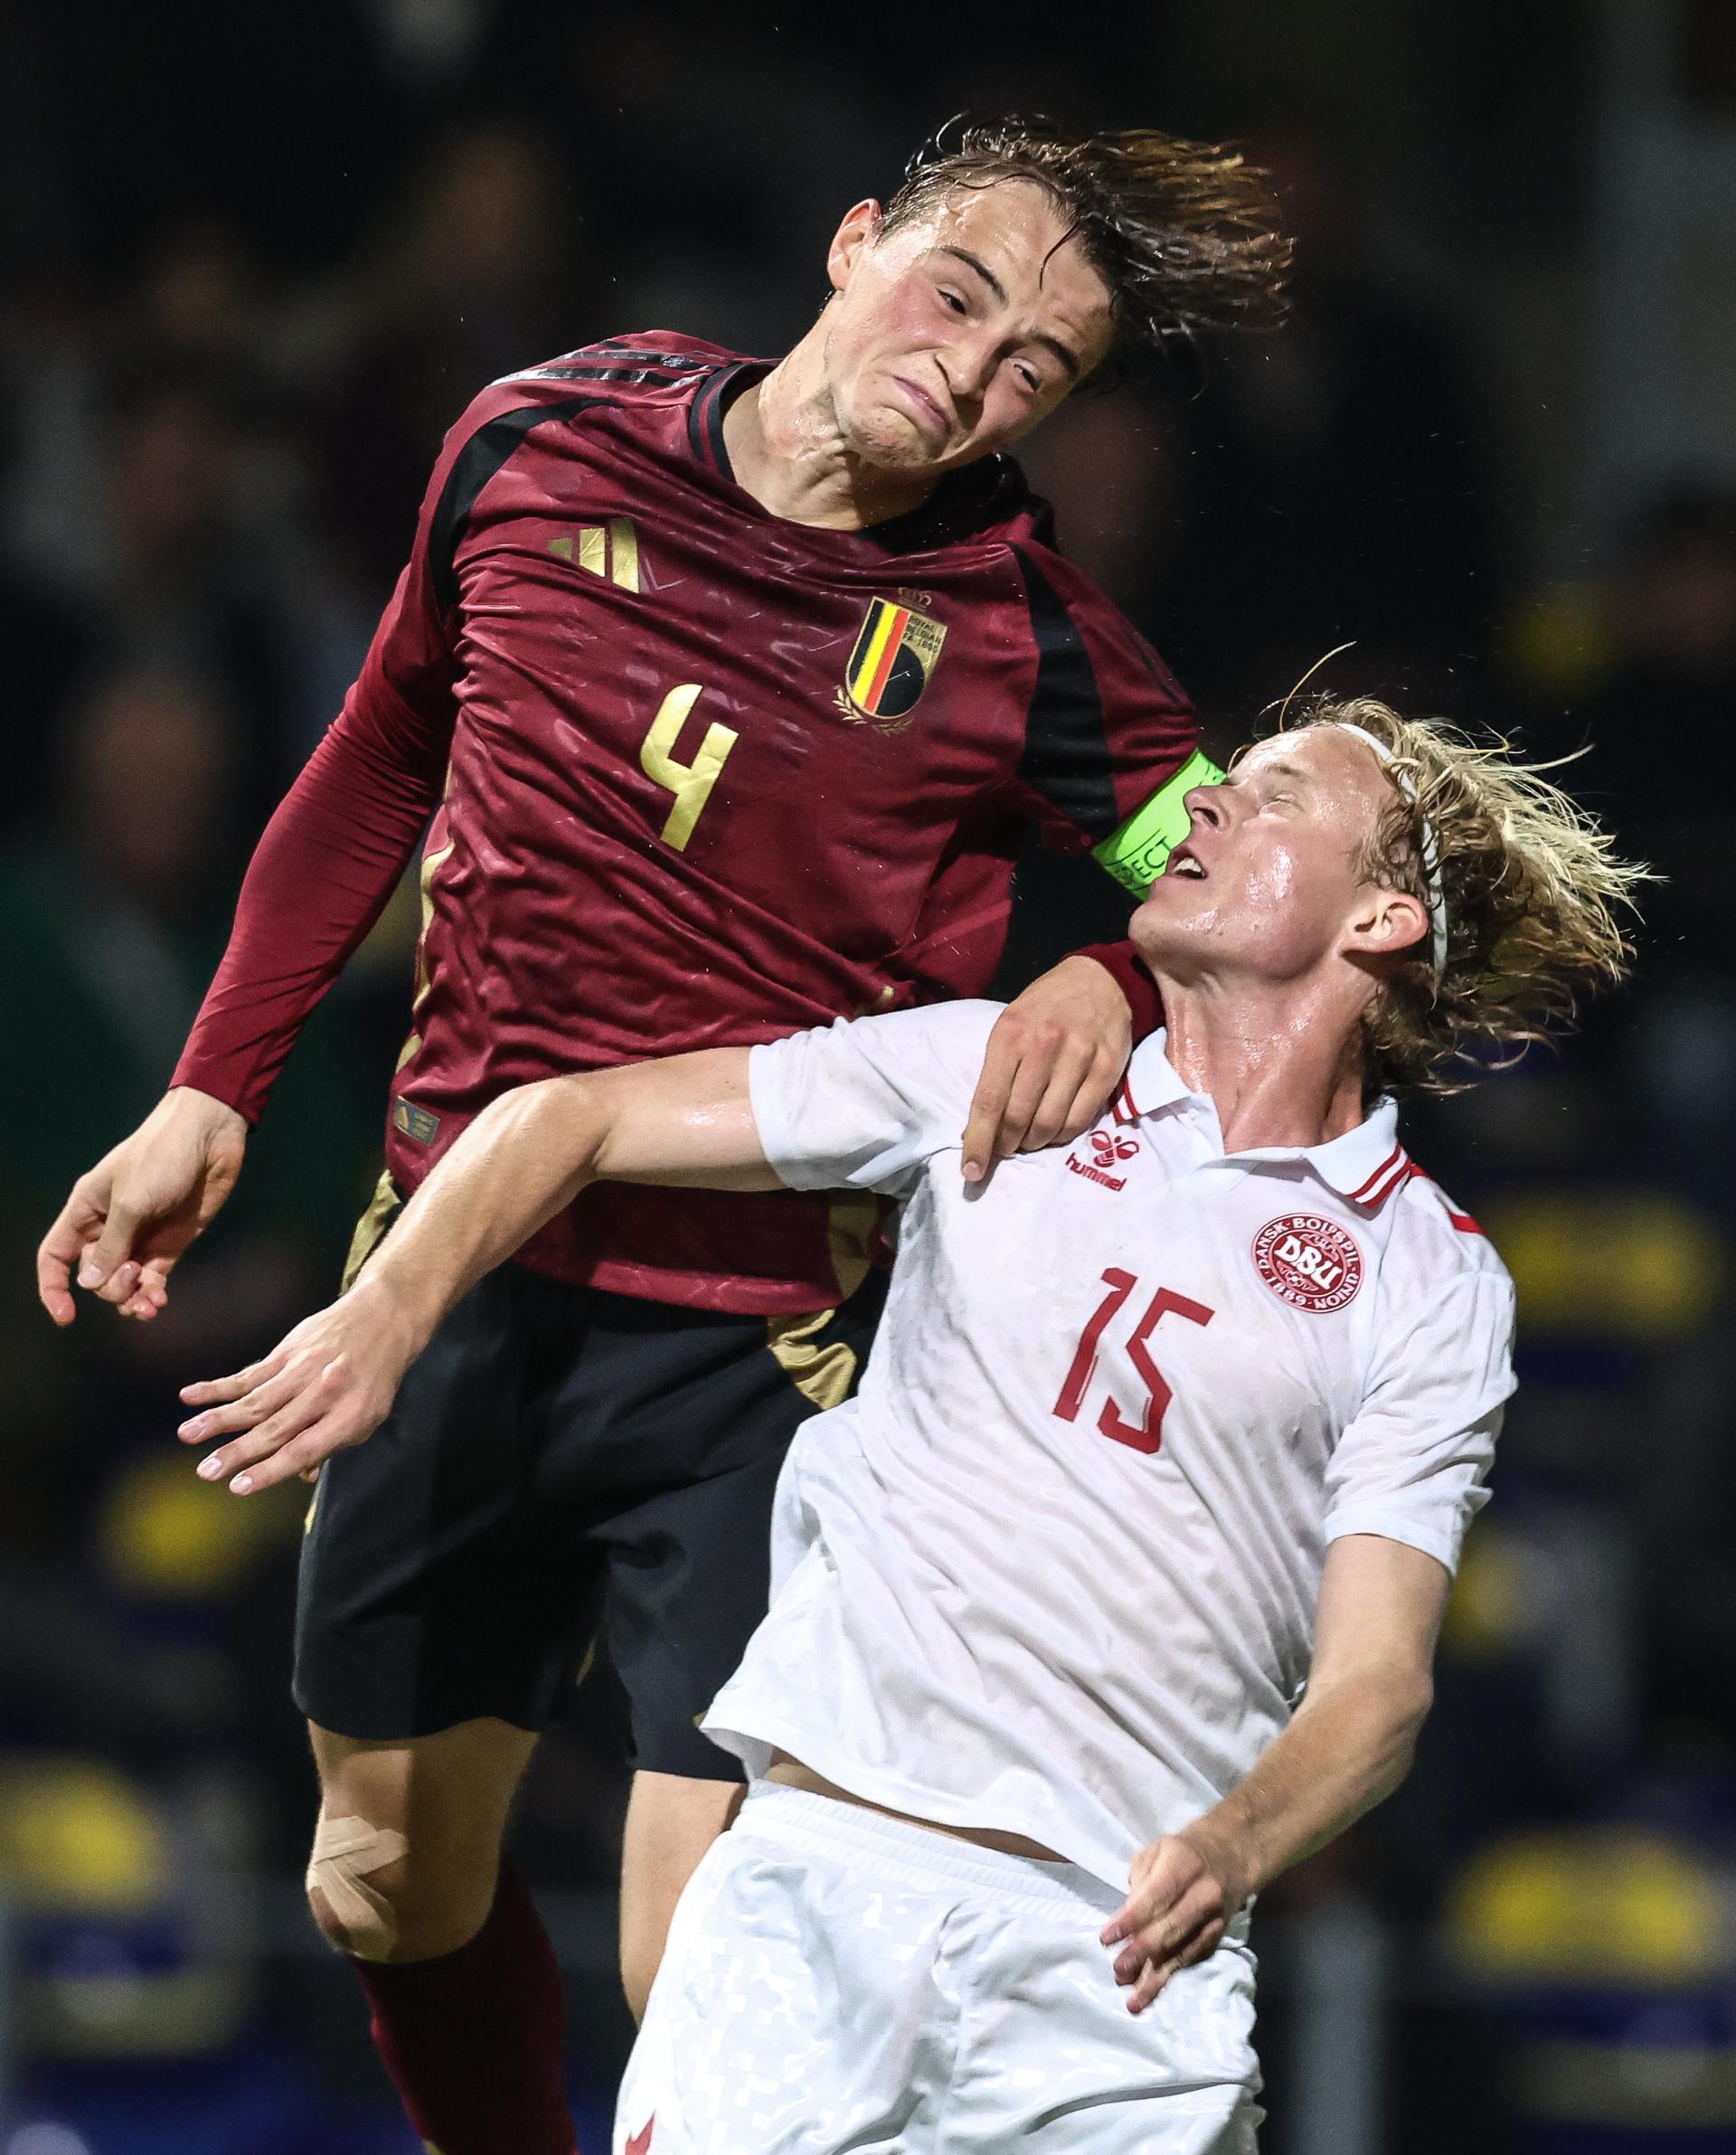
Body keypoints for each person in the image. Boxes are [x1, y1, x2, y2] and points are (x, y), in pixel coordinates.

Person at [38, 117, 1288, 2155]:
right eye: (957, 296)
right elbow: (379, 752)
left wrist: (1111, 983)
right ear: (851, 235)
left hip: (761, 1348)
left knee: (709, 1970)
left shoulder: (1017, 626)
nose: (971, 376)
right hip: (452, 1272)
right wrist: (214, 1083)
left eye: (1033, 372)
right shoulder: (539, 439)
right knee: (380, 1885)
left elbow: (1239, 899)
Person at [179, 696, 1644, 2150]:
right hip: (813, 1896)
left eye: (1271, 799)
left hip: (1117, 1969)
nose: (1200, 805)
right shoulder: (985, 1071)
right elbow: (575, 1117)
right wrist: (383, 1311)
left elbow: (1375, 1687)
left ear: (1383, 918)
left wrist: (1234, 1846)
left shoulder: (1431, 1280)